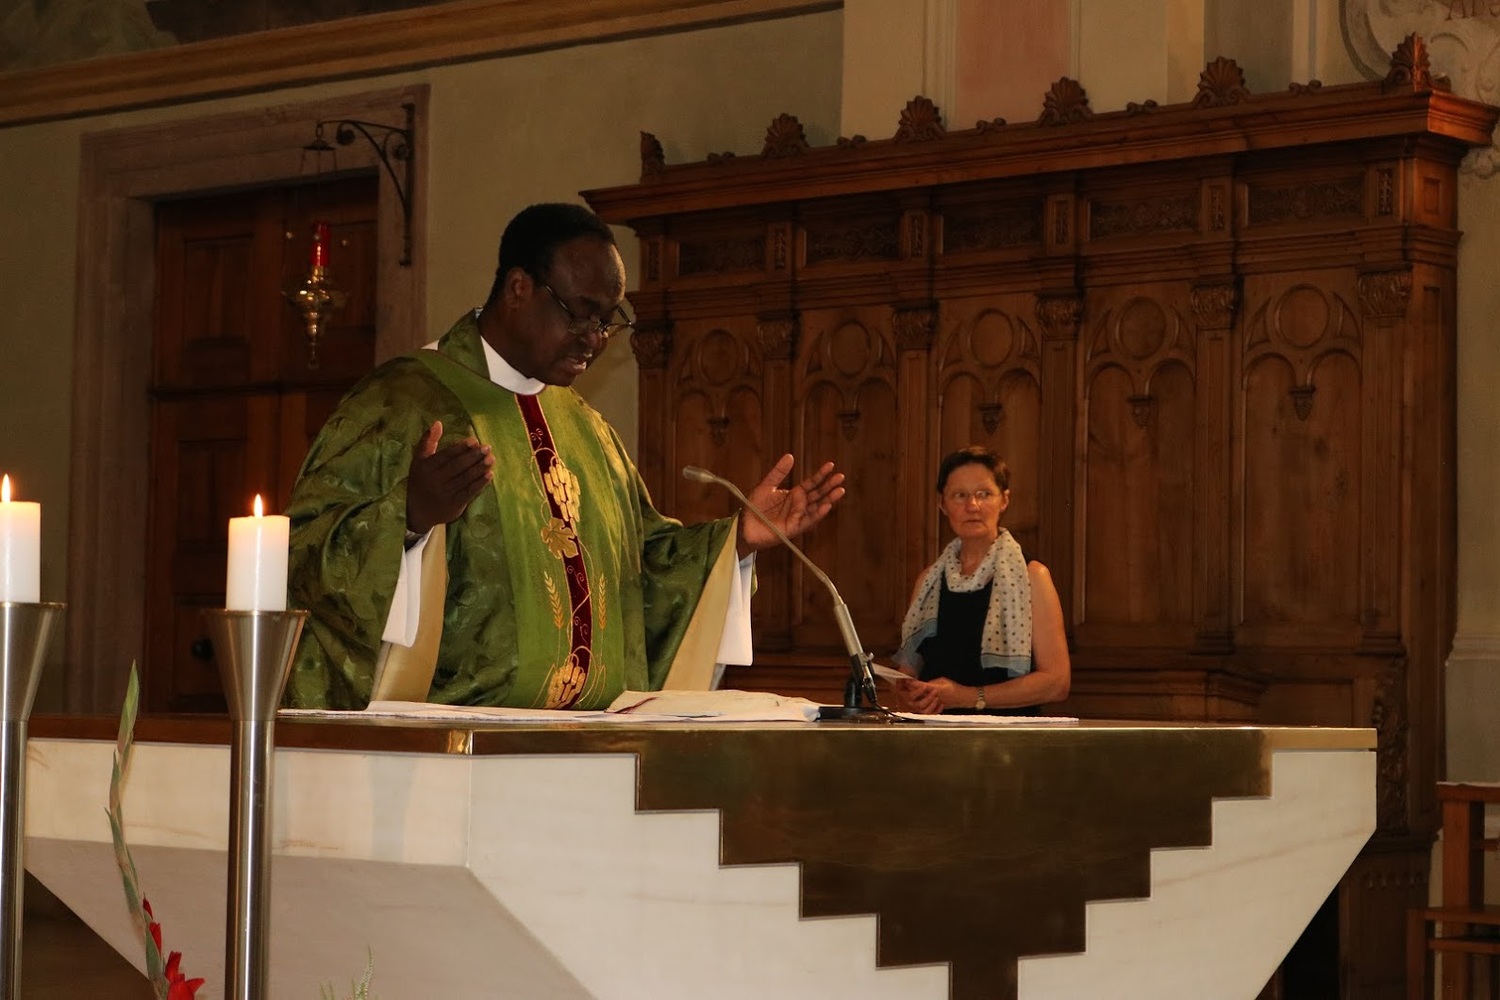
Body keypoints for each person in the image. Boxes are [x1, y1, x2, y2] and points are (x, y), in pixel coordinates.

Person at [284, 202, 844, 710]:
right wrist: (408, 517)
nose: (594, 338)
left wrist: (738, 538)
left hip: (586, 743)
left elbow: (642, 568)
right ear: (519, 288)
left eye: (608, 321)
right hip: (453, 747)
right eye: (580, 313)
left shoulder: (588, 431)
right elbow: (304, 554)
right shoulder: (401, 402)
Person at [889, 447, 1069, 715]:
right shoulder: (929, 581)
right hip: (935, 733)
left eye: (984, 494)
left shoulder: (1032, 576)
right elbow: (907, 675)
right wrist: (910, 695)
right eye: (960, 495)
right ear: (943, 505)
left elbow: (1057, 683)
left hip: (1007, 736)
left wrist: (968, 697)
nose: (972, 506)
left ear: (1004, 500)